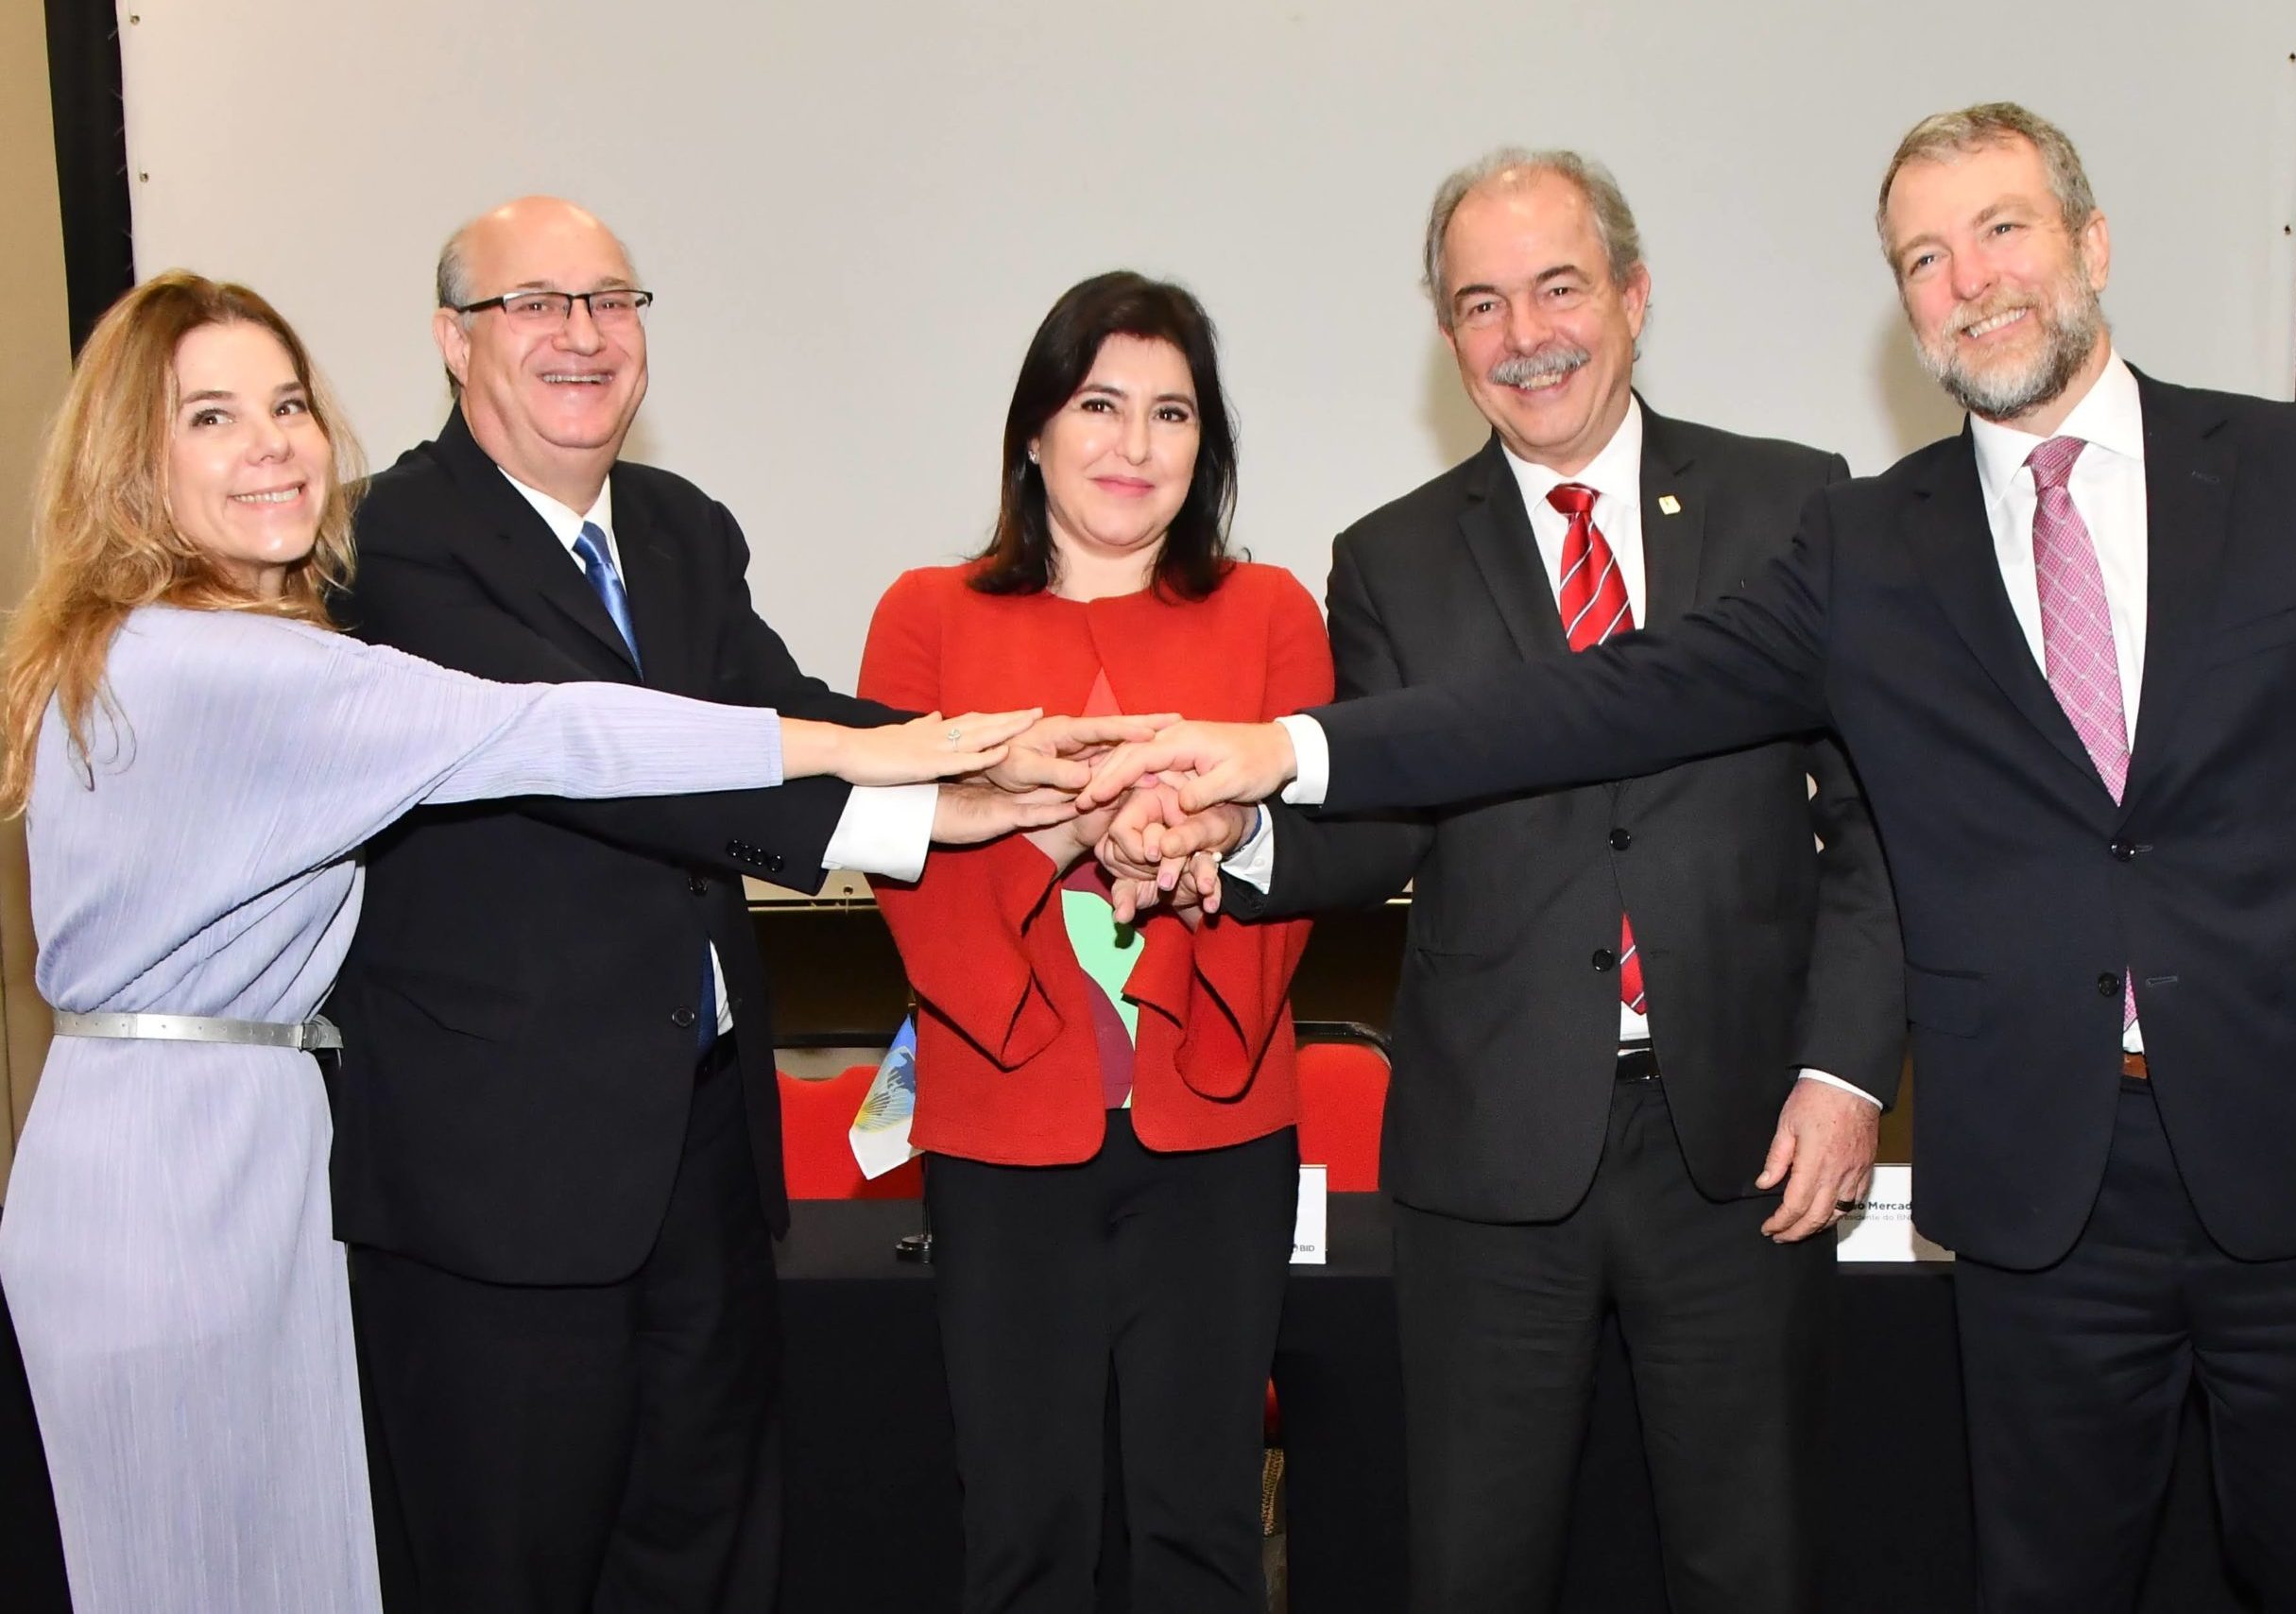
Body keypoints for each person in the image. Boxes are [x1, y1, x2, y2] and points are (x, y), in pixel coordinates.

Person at [1088, 103, 2296, 1613]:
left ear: (2090, 246)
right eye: (1923, 255)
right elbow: (1599, 698)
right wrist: (1281, 755)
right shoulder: (1878, 546)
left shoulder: (2294, 470)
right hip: (2044, 1192)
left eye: (2001, 232)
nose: (1968, 278)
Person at [0, 271, 1034, 1614]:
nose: (271, 443)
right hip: (172, 1166)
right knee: (196, 1567)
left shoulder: (221, 641)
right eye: (209, 417)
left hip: (249, 1138)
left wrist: (945, 781)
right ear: (131, 466)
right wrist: (873, 747)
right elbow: (549, 727)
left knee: (279, 1564)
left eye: (289, 403)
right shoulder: (216, 662)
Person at [1108, 150, 1901, 1613]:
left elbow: (1873, 831)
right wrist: (1235, 840)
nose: (1525, 333)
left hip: (1744, 1148)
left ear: (1634, 296)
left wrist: (1847, 1072)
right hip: (1490, 1163)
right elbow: (1379, 823)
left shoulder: (1796, 505)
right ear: (1447, 334)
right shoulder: (1393, 558)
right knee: (1478, 1571)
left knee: (1754, 1566)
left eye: (1558, 287)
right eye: (1480, 303)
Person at [327, 198, 1129, 1612]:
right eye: (536, 304)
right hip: (499, 1189)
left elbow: (785, 718)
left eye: (613, 301)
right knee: (509, 1569)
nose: (583, 336)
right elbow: (606, 749)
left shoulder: (685, 529)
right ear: (455, 341)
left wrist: (995, 773)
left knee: (706, 1555)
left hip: (699, 1151)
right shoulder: (390, 544)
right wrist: (926, 776)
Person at [857, 270, 1329, 1614]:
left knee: (1204, 1534)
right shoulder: (925, 617)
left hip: (1221, 1129)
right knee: (1024, 1533)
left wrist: (1197, 846)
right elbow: (902, 871)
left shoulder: (1275, 612)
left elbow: (1301, 864)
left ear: (1208, 446)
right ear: (1034, 432)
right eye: (1100, 404)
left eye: (1172, 413)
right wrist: (1067, 829)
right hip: (1003, 1131)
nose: (1135, 446)